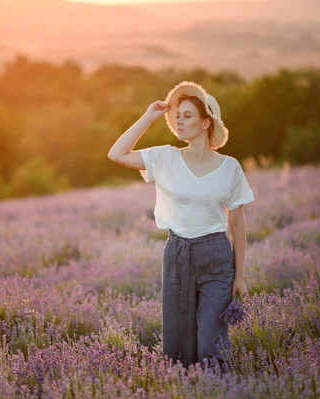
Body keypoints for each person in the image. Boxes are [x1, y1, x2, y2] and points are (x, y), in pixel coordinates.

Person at [107, 81, 255, 374]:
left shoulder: (230, 168)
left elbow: (237, 224)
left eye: (188, 115)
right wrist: (148, 117)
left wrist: (240, 277)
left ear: (205, 122)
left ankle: (215, 390)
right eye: (177, 115)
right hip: (177, 253)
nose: (178, 120)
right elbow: (116, 153)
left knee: (211, 345)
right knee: (178, 346)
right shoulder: (165, 157)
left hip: (216, 258)